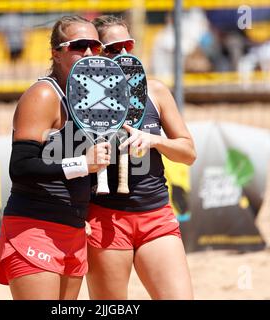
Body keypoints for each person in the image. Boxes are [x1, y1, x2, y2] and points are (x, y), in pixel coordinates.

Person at [0, 15, 111, 300]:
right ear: (56, 53)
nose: (87, 53)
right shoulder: (44, 95)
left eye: (94, 47)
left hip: (72, 229)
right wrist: (83, 164)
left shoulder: (88, 98)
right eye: (78, 46)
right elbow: (20, 167)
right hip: (35, 226)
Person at [86, 15, 196, 300]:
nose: (122, 53)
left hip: (155, 214)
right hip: (105, 219)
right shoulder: (81, 99)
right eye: (112, 48)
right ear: (95, 53)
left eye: (128, 45)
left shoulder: (156, 90)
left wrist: (156, 140)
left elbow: (188, 153)